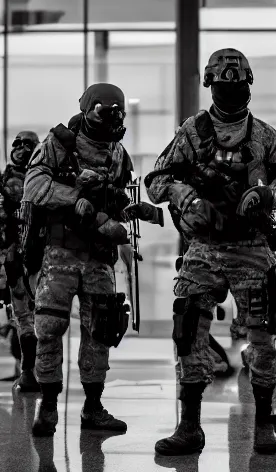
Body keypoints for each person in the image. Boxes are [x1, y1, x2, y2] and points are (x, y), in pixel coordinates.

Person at [147, 48, 276, 456]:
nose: (231, 92)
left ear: (248, 85)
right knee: (188, 332)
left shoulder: (266, 136)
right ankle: (189, 425)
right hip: (205, 247)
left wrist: (271, 193)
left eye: (237, 86)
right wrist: (184, 195)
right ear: (210, 86)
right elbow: (157, 179)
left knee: (263, 337)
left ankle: (264, 424)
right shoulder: (192, 133)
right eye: (223, 85)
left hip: (252, 247)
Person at [22, 83, 160, 436]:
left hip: (99, 257)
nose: (112, 119)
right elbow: (34, 187)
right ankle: (48, 404)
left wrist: (131, 217)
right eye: (105, 112)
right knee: (49, 329)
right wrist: (75, 201)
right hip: (60, 253)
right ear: (88, 109)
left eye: (117, 113)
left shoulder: (118, 152)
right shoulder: (58, 145)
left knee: (100, 331)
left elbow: (117, 197)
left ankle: (93, 407)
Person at [0, 131, 40, 392]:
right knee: (21, 319)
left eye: (28, 144)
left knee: (27, 319)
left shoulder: (40, 181)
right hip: (10, 259)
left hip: (29, 262)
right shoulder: (4, 181)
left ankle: (27, 372)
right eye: (18, 143)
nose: (21, 148)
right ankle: (24, 371)